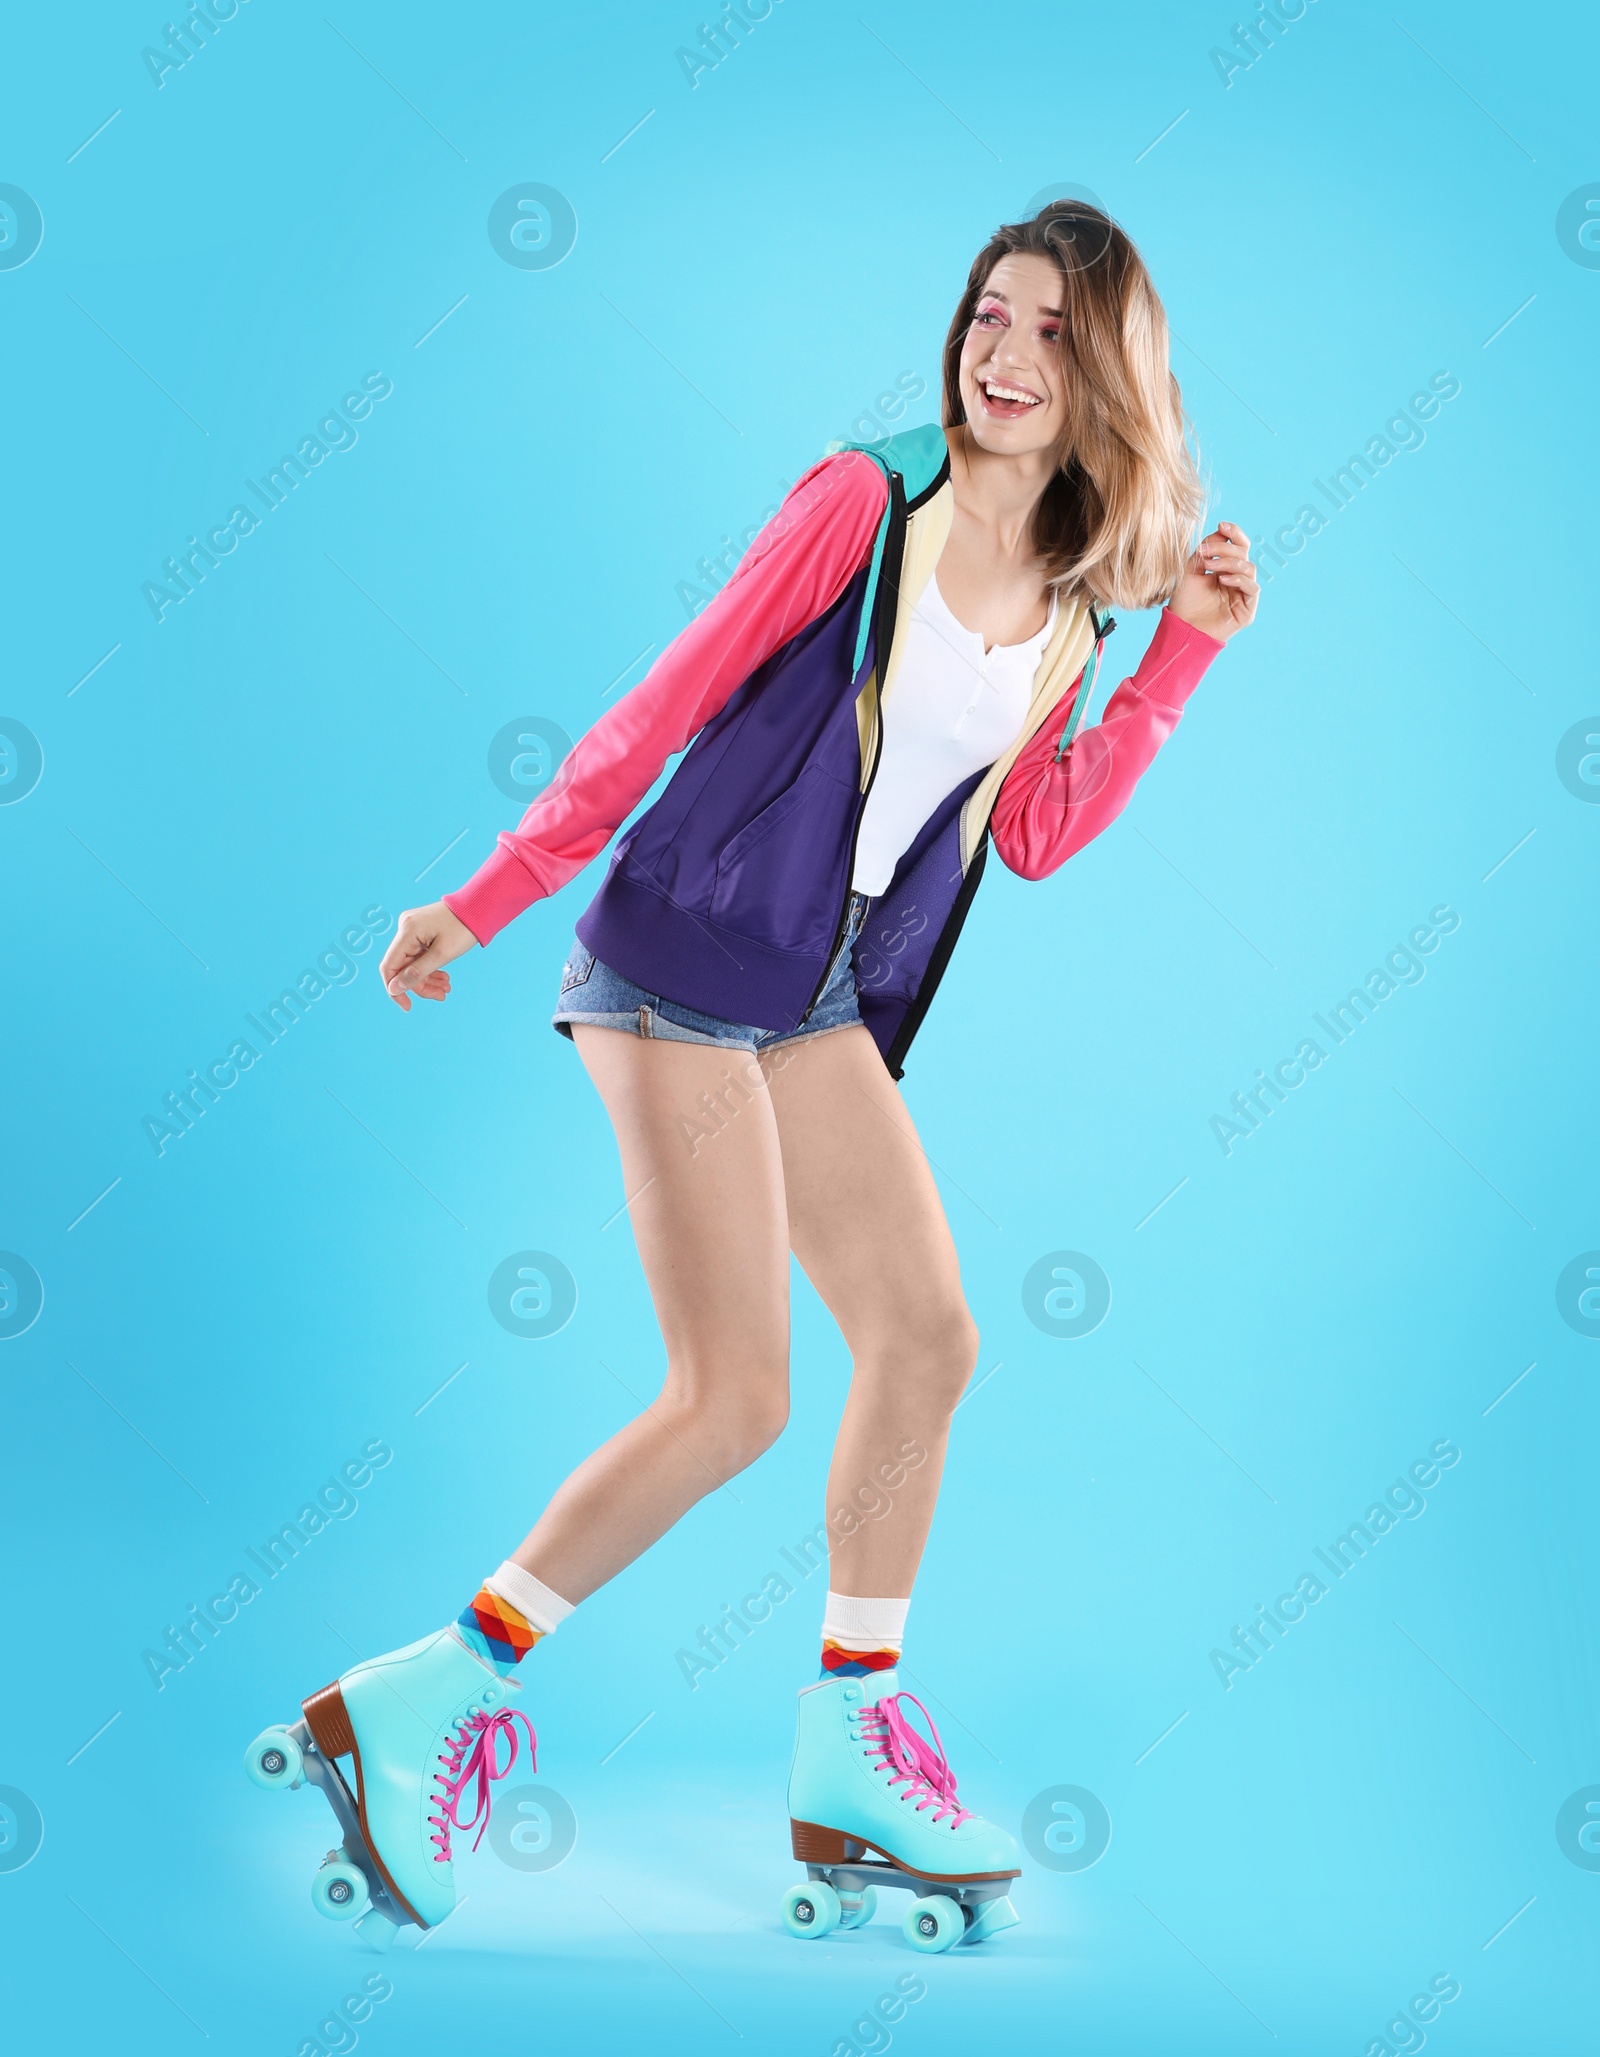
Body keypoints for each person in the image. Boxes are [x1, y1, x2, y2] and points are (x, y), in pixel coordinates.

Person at [246, 200, 1258, 1950]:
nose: (1002, 356)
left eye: (1045, 332)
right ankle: (416, 1697)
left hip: (821, 997)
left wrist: (1177, 663)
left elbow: (1028, 832)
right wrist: (485, 900)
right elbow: (668, 701)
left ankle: (848, 1738)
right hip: (681, 963)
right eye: (986, 317)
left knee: (928, 1338)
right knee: (737, 1398)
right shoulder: (863, 504)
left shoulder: (1084, 596)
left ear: (1113, 375)